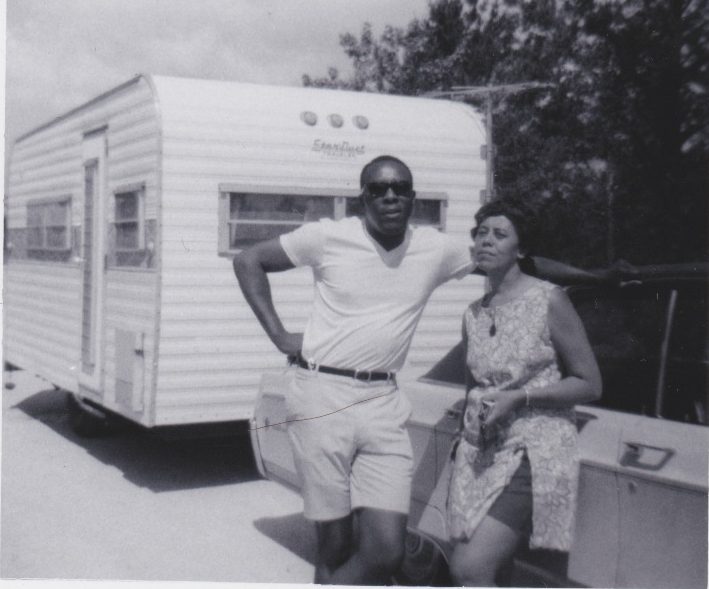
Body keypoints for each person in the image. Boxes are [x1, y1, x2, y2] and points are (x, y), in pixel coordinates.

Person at [233, 155, 603, 585]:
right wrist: (279, 335)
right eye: (378, 188)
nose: (390, 195)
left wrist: (600, 276)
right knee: (334, 545)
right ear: (363, 198)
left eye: (400, 188)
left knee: (386, 551)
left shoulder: (435, 248)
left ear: (411, 197)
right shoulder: (327, 236)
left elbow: (522, 264)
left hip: (382, 401)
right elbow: (249, 260)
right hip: (322, 394)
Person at [446, 198, 602, 587]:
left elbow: (590, 383)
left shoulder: (548, 299)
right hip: (483, 451)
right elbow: (474, 385)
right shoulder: (473, 313)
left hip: (535, 447)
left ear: (522, 249)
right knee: (497, 569)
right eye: (481, 233)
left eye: (500, 234)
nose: (487, 241)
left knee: (469, 566)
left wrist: (520, 397)